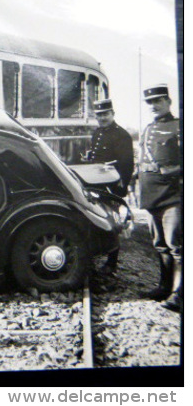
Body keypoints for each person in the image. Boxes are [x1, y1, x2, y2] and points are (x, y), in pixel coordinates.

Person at [136, 84, 182, 312]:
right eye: (150, 103)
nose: (154, 106)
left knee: (177, 246)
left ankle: (179, 294)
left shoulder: (179, 126)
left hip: (172, 195)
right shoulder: (147, 129)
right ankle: (164, 287)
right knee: (160, 245)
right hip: (151, 194)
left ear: (169, 102)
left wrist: (171, 172)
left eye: (158, 101)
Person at [85, 98, 135, 274]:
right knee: (95, 218)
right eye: (99, 115)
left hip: (111, 187)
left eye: (105, 114)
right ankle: (96, 254)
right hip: (95, 184)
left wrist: (120, 190)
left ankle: (111, 263)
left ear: (113, 114)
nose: (102, 118)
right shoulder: (97, 133)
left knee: (113, 222)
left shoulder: (122, 135)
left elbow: (127, 165)